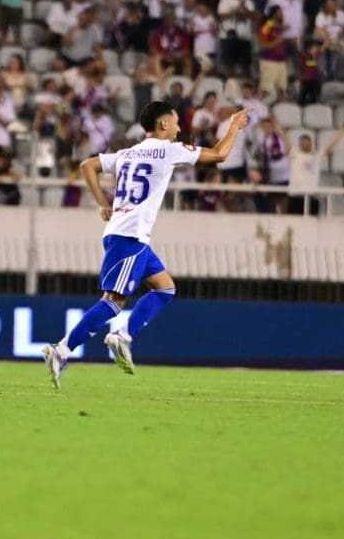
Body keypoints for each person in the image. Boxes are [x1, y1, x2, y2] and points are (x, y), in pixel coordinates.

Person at [41, 101, 250, 388]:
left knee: (165, 288)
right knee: (113, 301)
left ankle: (122, 336)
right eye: (176, 122)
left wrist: (103, 203)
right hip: (130, 235)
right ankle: (62, 350)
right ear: (164, 124)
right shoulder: (169, 150)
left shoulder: (127, 153)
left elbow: (87, 165)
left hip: (126, 234)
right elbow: (220, 154)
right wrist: (234, 127)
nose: (179, 128)